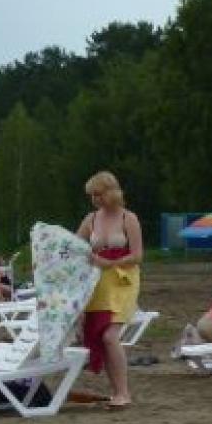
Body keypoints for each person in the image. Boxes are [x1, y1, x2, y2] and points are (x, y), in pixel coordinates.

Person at [76, 171, 142, 410]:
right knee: (100, 338)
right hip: (97, 284)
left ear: (112, 192)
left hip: (123, 281)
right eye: (92, 195)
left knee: (110, 336)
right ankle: (116, 392)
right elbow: (74, 248)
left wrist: (111, 263)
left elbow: (137, 255)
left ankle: (124, 392)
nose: (95, 199)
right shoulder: (90, 220)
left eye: (99, 194)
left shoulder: (129, 218)